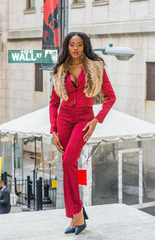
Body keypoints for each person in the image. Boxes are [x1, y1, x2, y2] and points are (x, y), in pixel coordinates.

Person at [49, 32, 116, 235]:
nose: (75, 48)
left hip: (84, 119)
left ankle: (77, 214)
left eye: (79, 44)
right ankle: (75, 218)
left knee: (69, 161)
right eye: (71, 44)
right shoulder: (61, 69)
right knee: (67, 164)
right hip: (64, 118)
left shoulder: (96, 67)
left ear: (84, 46)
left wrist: (97, 120)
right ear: (67, 47)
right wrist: (53, 129)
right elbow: (53, 103)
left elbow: (111, 97)